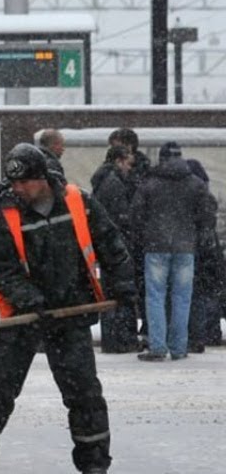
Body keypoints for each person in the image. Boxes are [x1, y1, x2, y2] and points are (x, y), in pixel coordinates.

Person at [0, 143, 137, 474]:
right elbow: (4, 272)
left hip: (70, 312)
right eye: (14, 184)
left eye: (25, 182)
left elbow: (111, 245)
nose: (18, 189)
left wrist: (123, 287)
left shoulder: (79, 203)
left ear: (42, 178)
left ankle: (93, 460)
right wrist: (32, 300)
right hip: (22, 316)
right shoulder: (3, 220)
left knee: (83, 389)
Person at [131, 142, 215, 361]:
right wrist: (198, 236)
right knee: (182, 298)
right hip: (186, 247)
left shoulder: (150, 183)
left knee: (155, 297)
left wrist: (143, 237)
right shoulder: (195, 183)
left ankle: (158, 347)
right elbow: (207, 215)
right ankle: (179, 347)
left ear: (161, 158)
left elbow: (136, 215)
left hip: (156, 246)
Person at [93, 145, 142, 353]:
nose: (129, 168)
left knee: (113, 292)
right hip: (115, 248)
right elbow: (120, 219)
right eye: (128, 163)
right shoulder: (114, 184)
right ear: (119, 161)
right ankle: (119, 340)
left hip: (108, 248)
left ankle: (114, 339)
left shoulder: (103, 181)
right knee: (120, 293)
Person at [185, 158, 225, 351]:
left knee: (197, 295)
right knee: (208, 294)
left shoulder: (192, 196)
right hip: (209, 252)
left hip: (197, 252)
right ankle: (211, 332)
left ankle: (200, 334)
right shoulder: (206, 196)